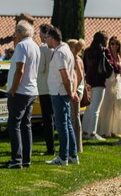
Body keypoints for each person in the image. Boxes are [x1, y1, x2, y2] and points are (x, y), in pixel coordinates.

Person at [4, 20, 40, 169]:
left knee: (14, 125)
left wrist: (13, 88)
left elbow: (20, 69)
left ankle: (16, 159)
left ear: (19, 33)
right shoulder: (35, 46)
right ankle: (26, 159)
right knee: (26, 125)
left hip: (20, 90)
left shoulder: (21, 46)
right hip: (32, 90)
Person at [45, 26, 78, 166]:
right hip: (61, 91)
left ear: (52, 38)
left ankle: (63, 157)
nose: (45, 40)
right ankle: (73, 155)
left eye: (47, 38)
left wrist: (70, 93)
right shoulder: (66, 49)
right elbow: (72, 74)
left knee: (62, 125)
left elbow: (65, 76)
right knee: (67, 124)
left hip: (59, 92)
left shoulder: (59, 53)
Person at [81, 30, 110, 141]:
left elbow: (84, 66)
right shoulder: (103, 51)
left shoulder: (87, 51)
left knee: (88, 108)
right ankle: (92, 133)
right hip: (99, 82)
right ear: (104, 40)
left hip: (89, 81)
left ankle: (84, 131)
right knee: (96, 109)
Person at [36, 23, 55, 156]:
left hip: (44, 87)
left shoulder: (42, 48)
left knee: (47, 119)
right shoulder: (55, 48)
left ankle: (50, 148)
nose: (39, 35)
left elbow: (40, 68)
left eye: (40, 33)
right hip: (53, 86)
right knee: (53, 118)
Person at [96, 35, 121, 138]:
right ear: (109, 44)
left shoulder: (119, 56)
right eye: (112, 43)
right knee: (107, 107)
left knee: (116, 107)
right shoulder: (107, 54)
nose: (114, 46)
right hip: (109, 82)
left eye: (116, 44)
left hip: (117, 83)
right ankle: (104, 131)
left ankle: (114, 130)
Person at [68, 38, 85, 154]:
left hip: (76, 92)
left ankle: (77, 146)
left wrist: (73, 91)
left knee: (75, 118)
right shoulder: (77, 59)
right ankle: (76, 145)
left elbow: (78, 76)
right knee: (74, 118)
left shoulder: (76, 60)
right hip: (77, 91)